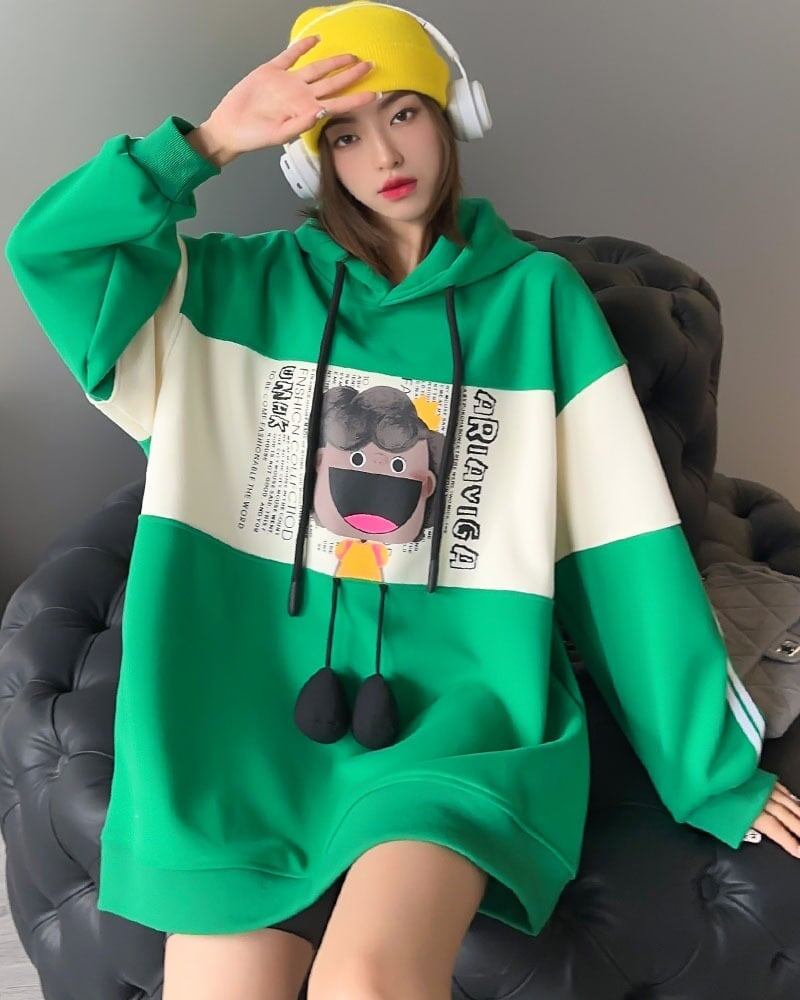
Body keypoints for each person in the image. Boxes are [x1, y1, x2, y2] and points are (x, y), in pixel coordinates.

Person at [6, 2, 800, 998]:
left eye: (403, 113)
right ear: (309, 161)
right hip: (236, 723)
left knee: (370, 982)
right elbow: (52, 255)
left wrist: (708, 772)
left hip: (458, 722)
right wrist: (204, 145)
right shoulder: (223, 294)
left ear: (453, 114)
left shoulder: (538, 302)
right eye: (342, 133)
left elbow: (619, 543)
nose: (381, 153)